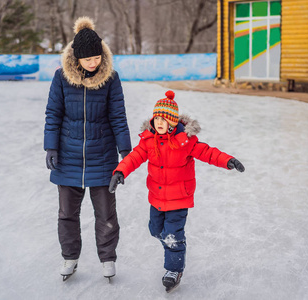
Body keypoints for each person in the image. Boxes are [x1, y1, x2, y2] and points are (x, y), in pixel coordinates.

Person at [108, 90, 245, 291]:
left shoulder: (185, 141)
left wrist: (228, 161)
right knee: (155, 230)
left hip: (179, 198)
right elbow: (134, 157)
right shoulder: (148, 140)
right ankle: (174, 247)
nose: (159, 122)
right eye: (157, 118)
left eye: (164, 119)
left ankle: (174, 269)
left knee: (172, 236)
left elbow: (208, 153)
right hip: (156, 197)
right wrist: (120, 171)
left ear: (173, 122)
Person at [44, 16, 131, 281]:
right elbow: (53, 113)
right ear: (77, 59)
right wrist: (51, 147)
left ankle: (107, 259)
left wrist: (126, 153)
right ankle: (70, 258)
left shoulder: (110, 78)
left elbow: (118, 116)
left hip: (102, 156)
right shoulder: (62, 77)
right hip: (67, 155)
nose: (93, 64)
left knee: (106, 214)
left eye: (97, 59)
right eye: (88, 60)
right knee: (67, 214)